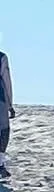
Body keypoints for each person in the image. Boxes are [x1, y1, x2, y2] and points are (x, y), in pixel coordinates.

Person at [0, 48, 13, 180]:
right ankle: (0, 163)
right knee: (4, 130)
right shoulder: (2, 57)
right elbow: (6, 81)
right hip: (0, 100)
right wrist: (10, 105)